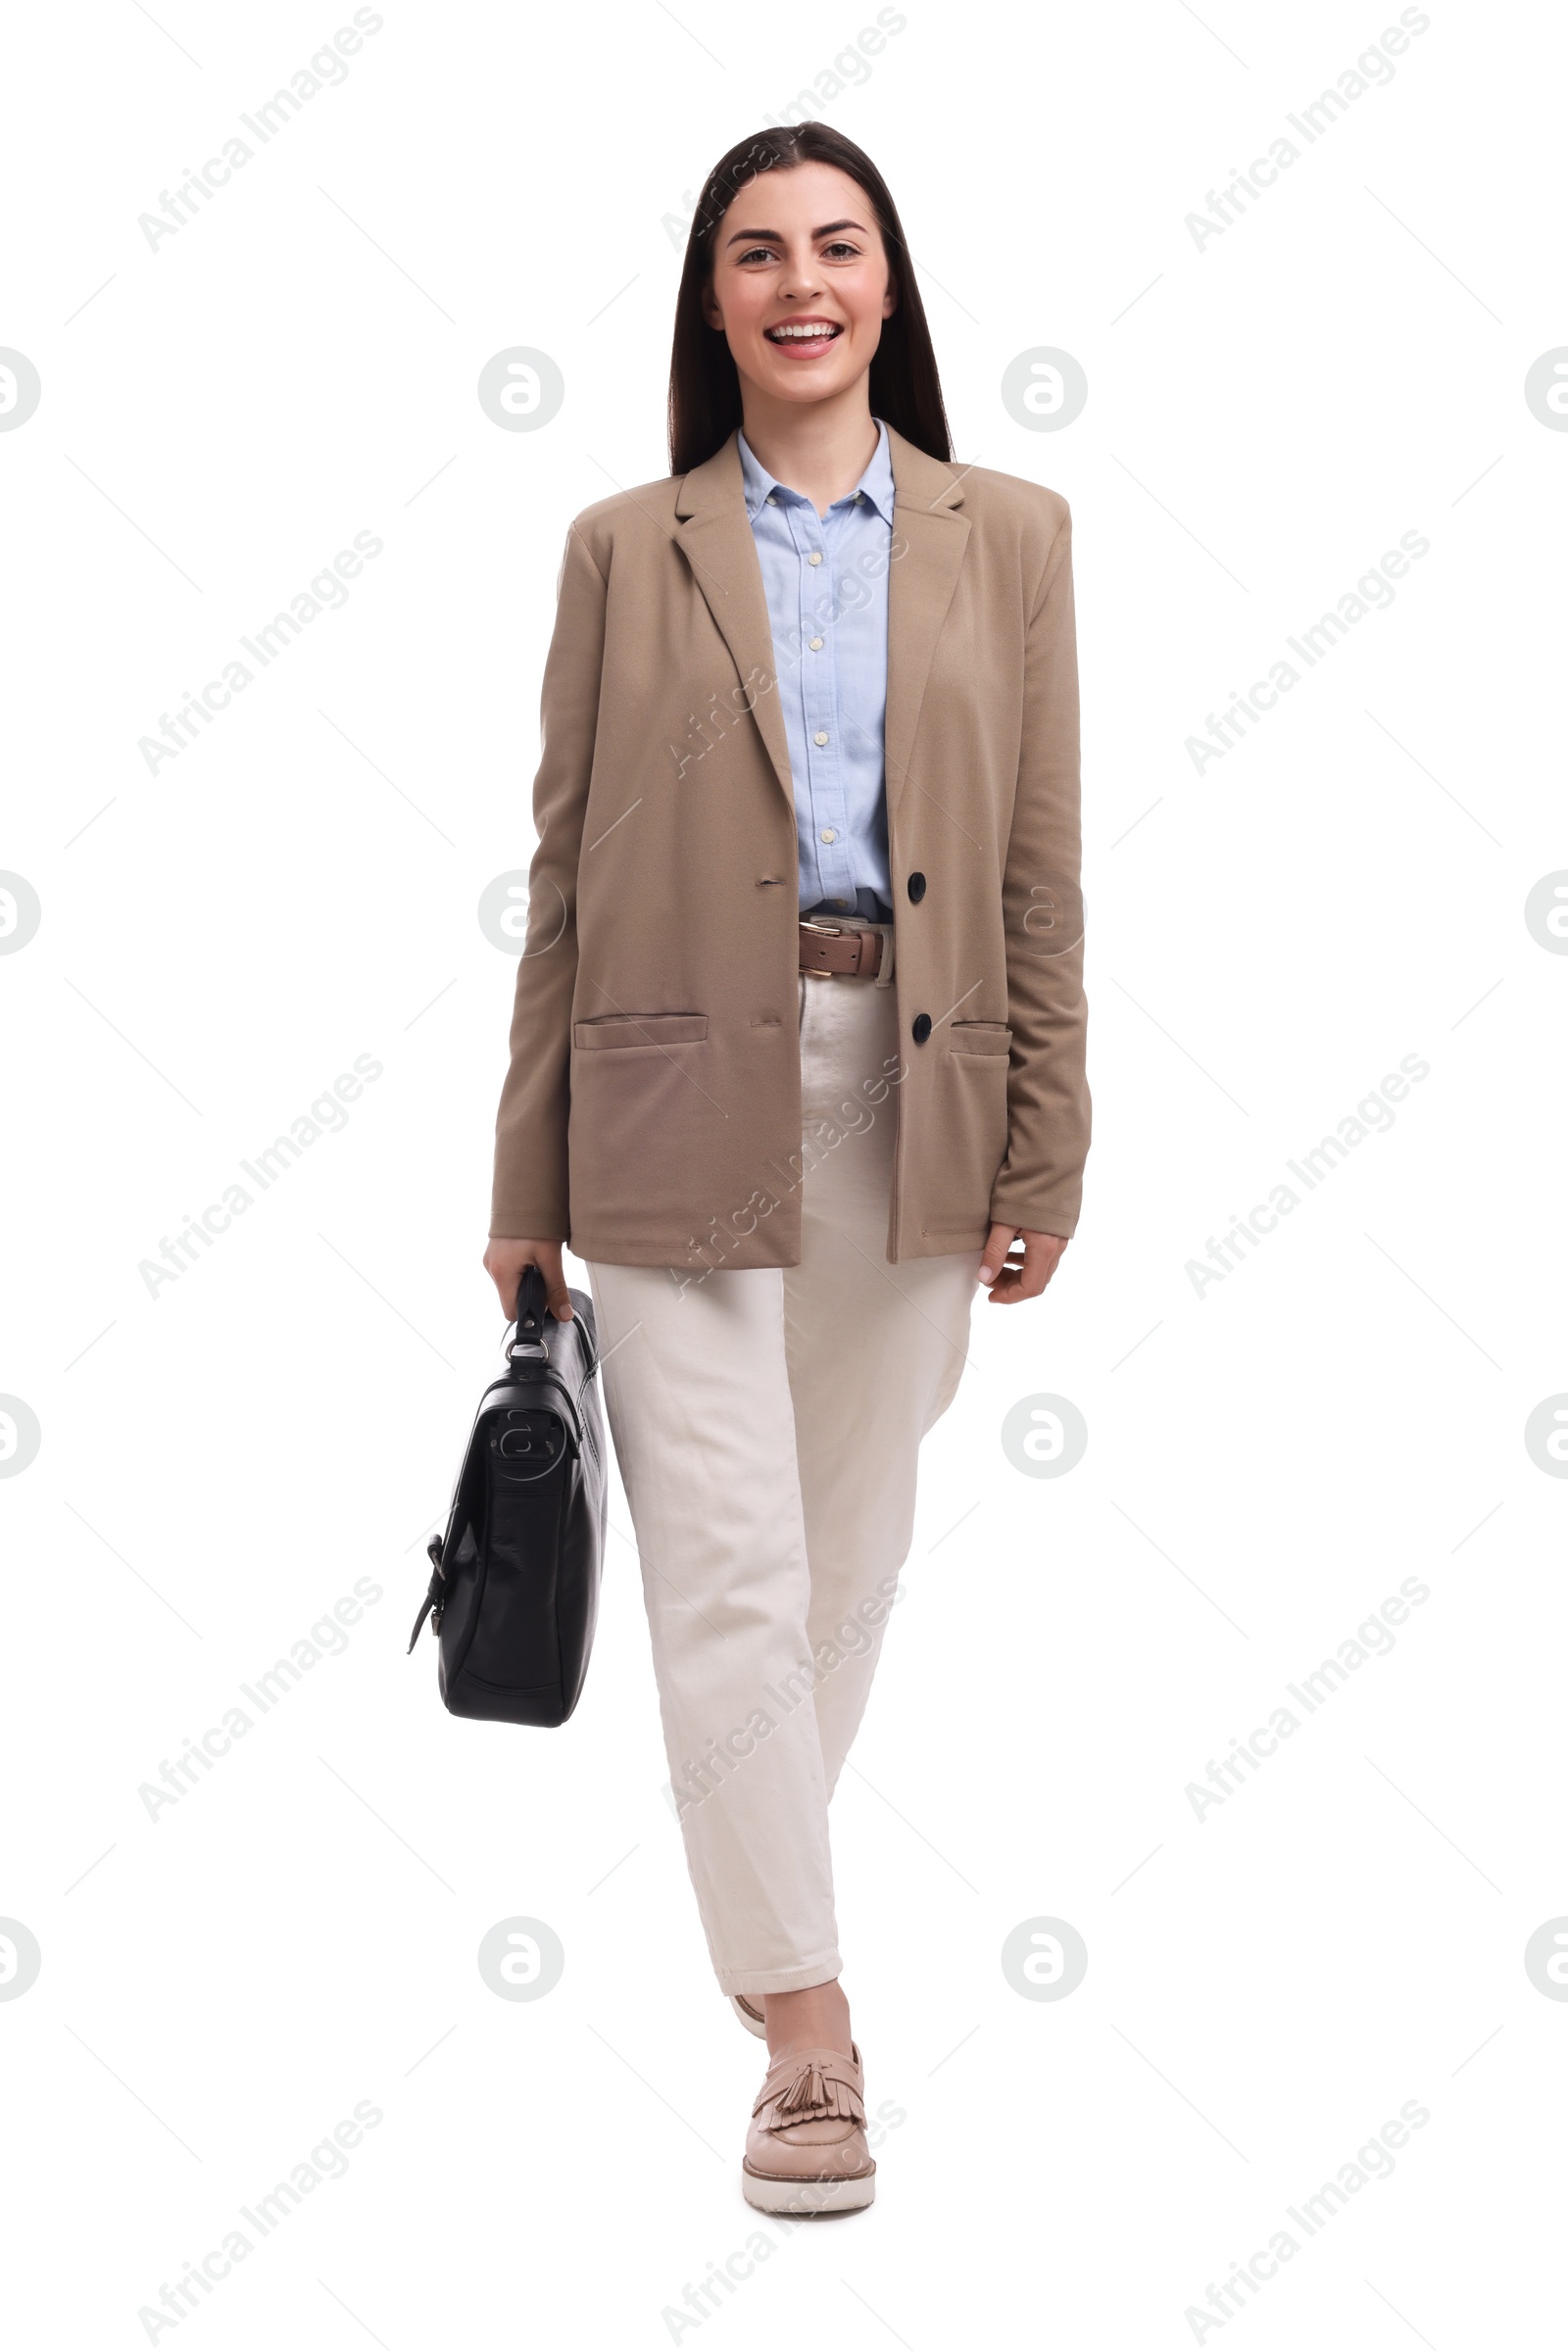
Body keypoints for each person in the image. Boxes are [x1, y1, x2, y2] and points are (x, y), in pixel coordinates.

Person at [482, 121, 1090, 2215]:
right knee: (727, 1569)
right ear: (712, 299)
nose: (800, 282)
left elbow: (1037, 867)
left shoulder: (1007, 535)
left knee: (840, 1573)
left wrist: (1052, 1139)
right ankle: (809, 2037)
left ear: (889, 288)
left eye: (836, 247)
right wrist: (515, 1176)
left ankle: (753, 1925)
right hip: (660, 1092)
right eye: (756, 252)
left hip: (913, 1095)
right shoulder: (620, 544)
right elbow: (557, 879)